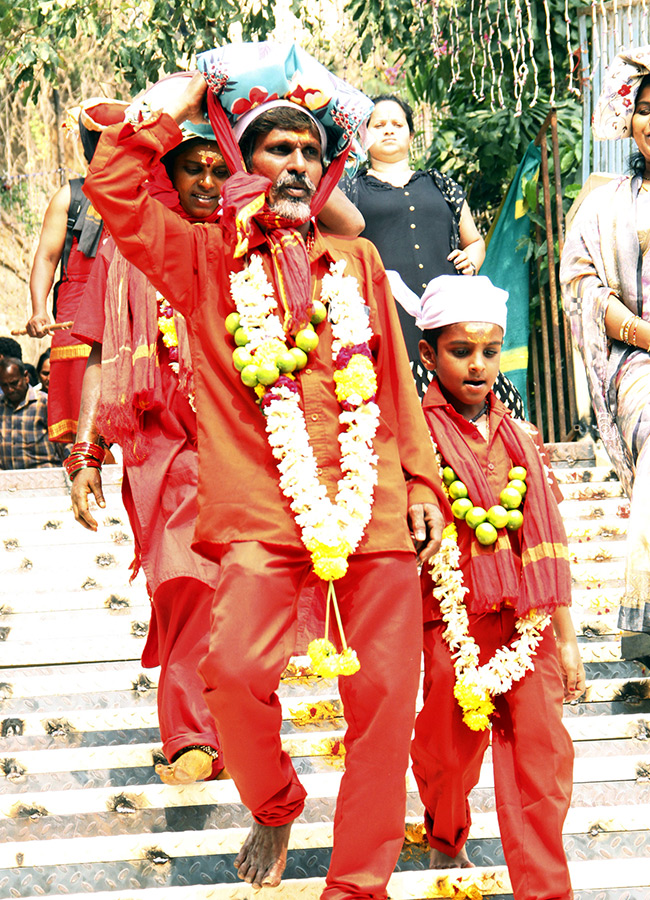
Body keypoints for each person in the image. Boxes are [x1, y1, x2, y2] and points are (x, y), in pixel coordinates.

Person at [83, 41, 446, 898]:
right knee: (235, 675)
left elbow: (396, 384)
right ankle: (275, 801)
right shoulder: (204, 260)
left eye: (310, 150)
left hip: (374, 509)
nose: (295, 162)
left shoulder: (354, 262)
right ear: (244, 163)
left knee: (389, 700)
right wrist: (184, 93)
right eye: (276, 148)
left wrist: (425, 483)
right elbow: (115, 190)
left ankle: (357, 886)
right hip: (258, 514)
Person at [69, 80, 364, 785]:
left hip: (238, 447)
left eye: (215, 167)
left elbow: (349, 225)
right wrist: (85, 453)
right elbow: (103, 352)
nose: (205, 180)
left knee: (229, 593)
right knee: (186, 585)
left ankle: (230, 726)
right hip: (161, 446)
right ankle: (190, 736)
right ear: (168, 177)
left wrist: (297, 136)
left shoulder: (259, 247)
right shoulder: (145, 249)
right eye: (190, 169)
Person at [410, 275, 585, 898]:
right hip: (450, 621)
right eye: (461, 351)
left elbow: (549, 535)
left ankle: (545, 888)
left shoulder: (520, 436)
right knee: (446, 754)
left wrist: (565, 639)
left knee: (543, 756)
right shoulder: (412, 436)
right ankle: (445, 832)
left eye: (490, 351)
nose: (479, 365)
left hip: (528, 620)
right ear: (428, 354)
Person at [561, 46, 650, 656]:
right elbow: (583, 283)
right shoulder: (606, 202)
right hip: (639, 360)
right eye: (645, 108)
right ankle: (644, 608)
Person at [342, 96, 484, 388]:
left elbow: (475, 241)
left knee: (457, 390)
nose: (389, 130)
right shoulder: (348, 190)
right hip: (385, 314)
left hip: (449, 311)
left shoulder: (441, 184)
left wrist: (471, 259)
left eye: (397, 124)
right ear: (363, 136)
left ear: (411, 134)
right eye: (379, 125)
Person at [26, 97, 128, 443]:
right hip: (75, 308)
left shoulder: (147, 193)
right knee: (79, 414)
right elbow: (45, 258)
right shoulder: (69, 196)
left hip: (125, 303)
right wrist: (40, 310)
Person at [0, 356, 66, 469]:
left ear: (26, 377)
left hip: (44, 476)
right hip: (8, 480)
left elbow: (64, 444)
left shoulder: (45, 403)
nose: (10, 390)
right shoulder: (1, 406)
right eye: (5, 385)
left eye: (14, 383)